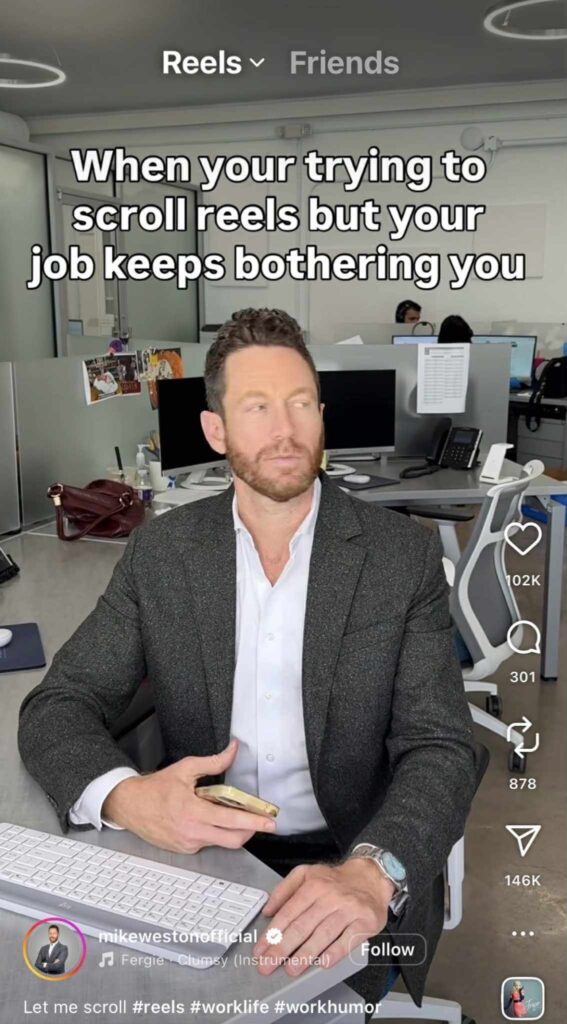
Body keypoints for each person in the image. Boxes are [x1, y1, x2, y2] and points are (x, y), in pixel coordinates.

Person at [19, 307, 477, 1019]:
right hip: (200, 862)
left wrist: (374, 871)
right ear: (216, 430)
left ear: (322, 418)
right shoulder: (163, 555)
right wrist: (126, 797)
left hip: (350, 859)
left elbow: (441, 745)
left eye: (300, 404)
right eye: (256, 407)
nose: (285, 430)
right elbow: (58, 704)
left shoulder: (398, 557)